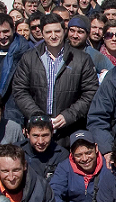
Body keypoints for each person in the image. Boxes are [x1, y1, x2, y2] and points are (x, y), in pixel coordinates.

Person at [12, 13, 100, 144]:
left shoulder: (81, 59)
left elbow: (91, 92)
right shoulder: (29, 58)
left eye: (57, 31)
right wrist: (36, 115)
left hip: (69, 130)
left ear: (64, 31)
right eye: (48, 32)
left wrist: (68, 116)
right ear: (42, 33)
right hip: (38, 131)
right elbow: (20, 90)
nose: (53, 36)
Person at [21, 115, 68, 182]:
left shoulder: (61, 155)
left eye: (45, 135)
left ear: (52, 133)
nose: (40, 141)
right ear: (27, 134)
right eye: (35, 136)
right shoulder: (17, 152)